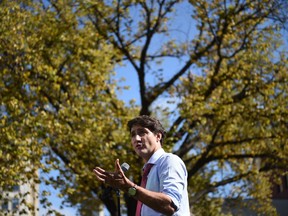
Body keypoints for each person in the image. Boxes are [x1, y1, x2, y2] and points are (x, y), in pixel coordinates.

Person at [93, 115, 190, 215]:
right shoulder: (147, 172)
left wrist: (128, 187)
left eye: (142, 132)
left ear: (158, 136)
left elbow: (169, 205)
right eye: (133, 135)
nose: (136, 139)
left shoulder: (169, 161)